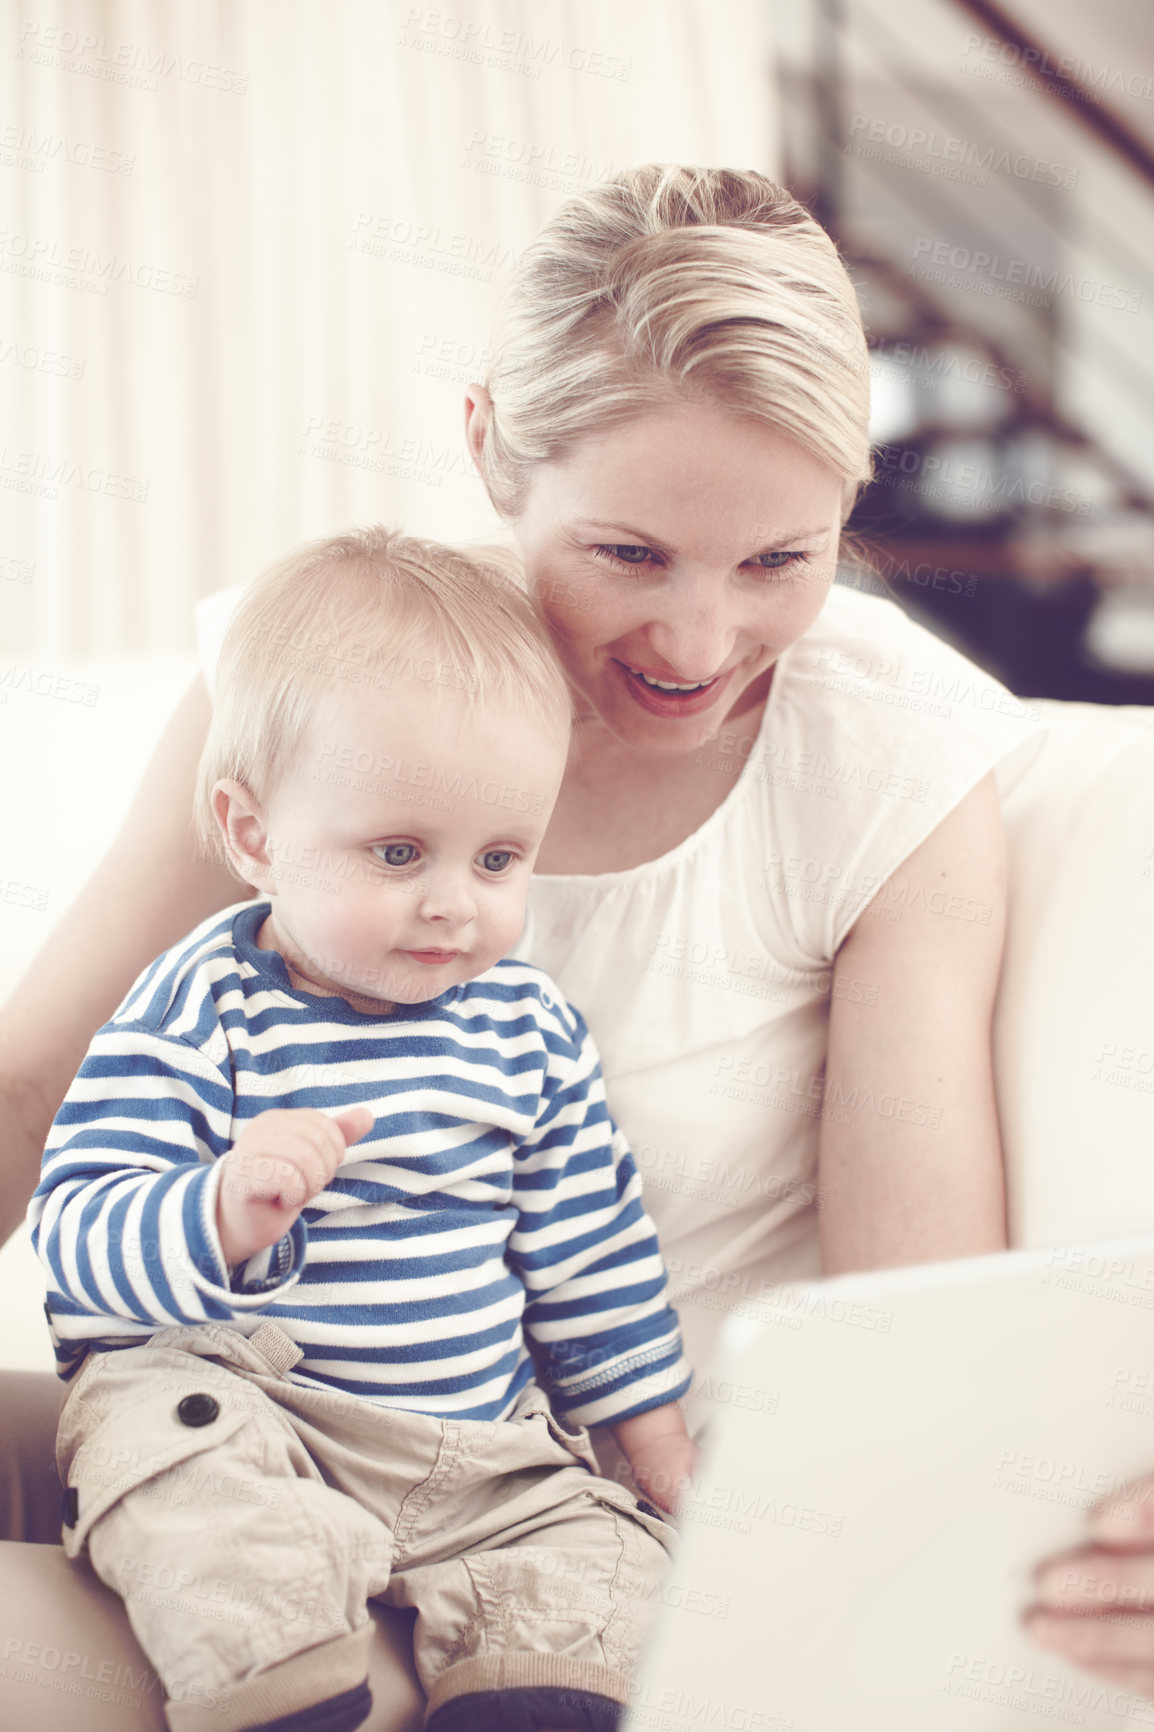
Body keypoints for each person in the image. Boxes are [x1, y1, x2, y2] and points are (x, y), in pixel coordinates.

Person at [6, 164, 1128, 1720]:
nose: (695, 643)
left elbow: (908, 1324)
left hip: (578, 1517)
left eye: (777, 561)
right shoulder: (320, 671)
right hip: (233, 1427)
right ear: (486, 448)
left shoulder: (886, 768)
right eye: (626, 552)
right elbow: (32, 1087)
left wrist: (1043, 1510)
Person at [26, 527, 694, 1732]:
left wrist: (653, 1441)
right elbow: (71, 1233)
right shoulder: (200, 1006)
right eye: (397, 852)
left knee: (602, 1563)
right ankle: (283, 1686)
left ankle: (529, 1693)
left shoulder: (525, 1026)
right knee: (178, 1481)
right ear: (251, 836)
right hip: (249, 1414)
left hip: (476, 1453)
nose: (454, 901)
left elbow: (589, 1252)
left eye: (499, 857)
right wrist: (216, 1207)